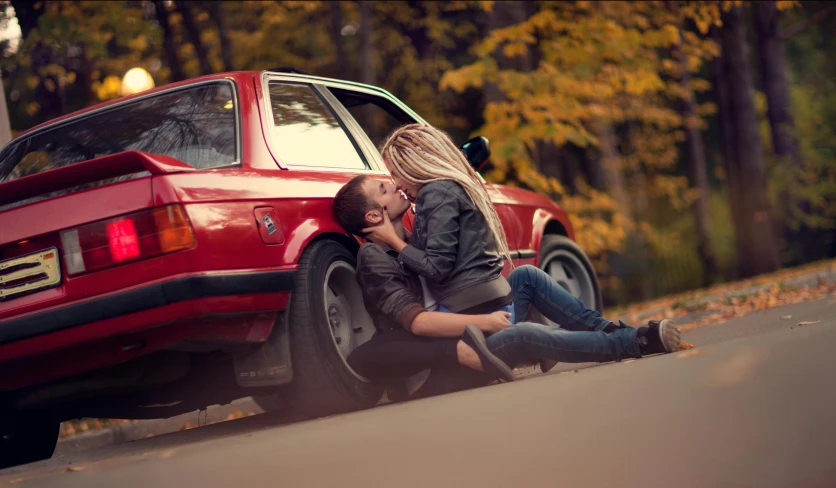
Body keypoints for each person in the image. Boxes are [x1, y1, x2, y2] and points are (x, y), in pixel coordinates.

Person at [333, 175, 681, 395]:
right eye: (383, 188)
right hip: (442, 363)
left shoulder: (408, 237)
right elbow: (419, 323)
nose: (394, 183)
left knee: (525, 278)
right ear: (374, 216)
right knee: (523, 334)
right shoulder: (375, 258)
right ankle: (634, 342)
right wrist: (484, 322)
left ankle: (610, 331)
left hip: (466, 328)